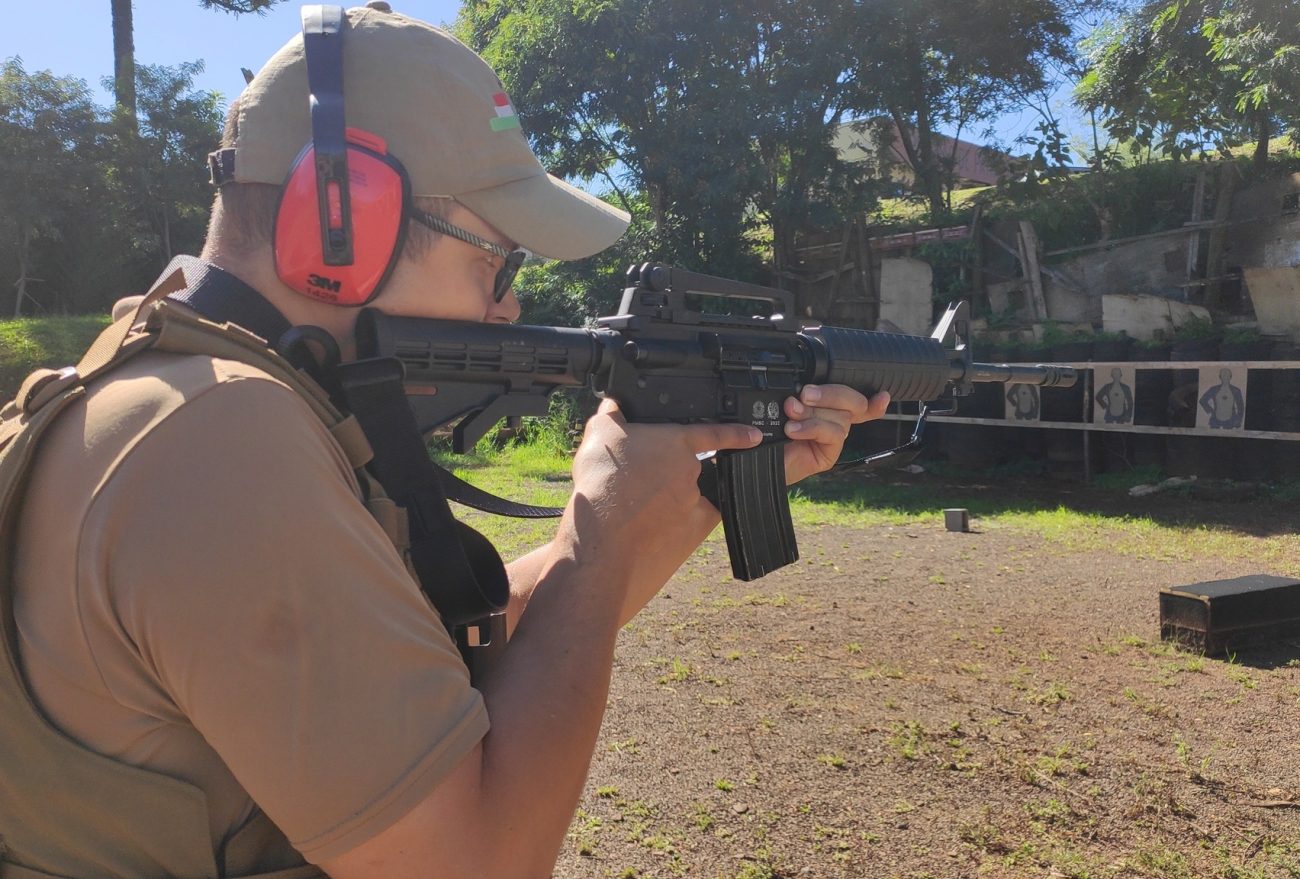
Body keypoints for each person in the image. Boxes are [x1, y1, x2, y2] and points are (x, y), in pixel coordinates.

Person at [6, 4, 887, 878]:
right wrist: (598, 533)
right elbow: (474, 863)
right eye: (496, 265)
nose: (507, 307)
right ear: (340, 225)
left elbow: (448, 651)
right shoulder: (221, 442)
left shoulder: (181, 397)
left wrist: (692, 491)